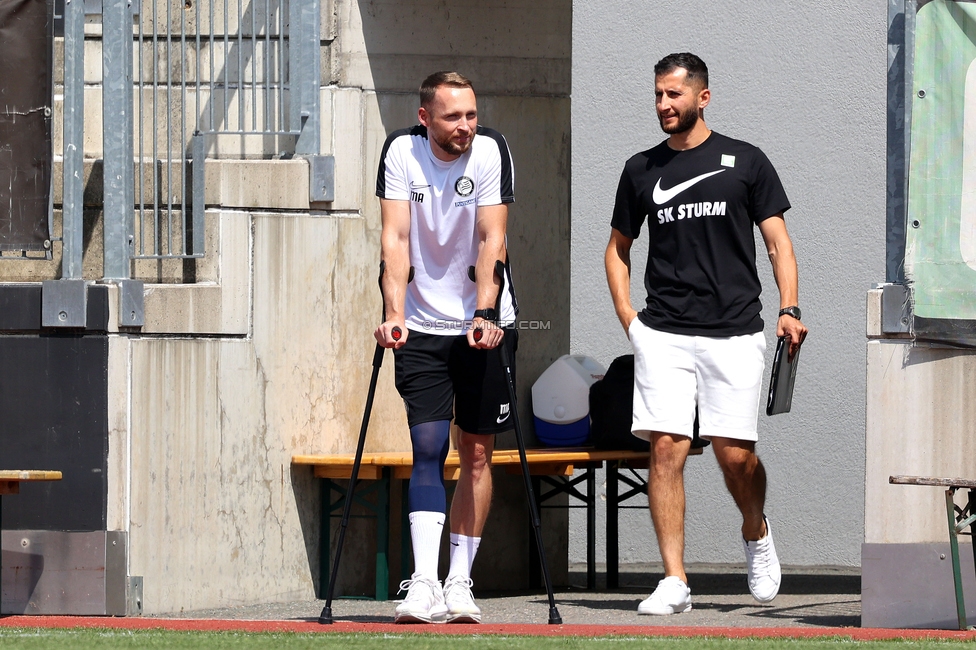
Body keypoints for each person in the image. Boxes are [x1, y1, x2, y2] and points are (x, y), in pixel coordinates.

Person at [604, 53, 808, 616]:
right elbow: (617, 250)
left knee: (734, 456)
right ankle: (675, 579)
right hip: (663, 332)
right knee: (665, 448)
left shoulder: (745, 161)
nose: (665, 105)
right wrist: (630, 321)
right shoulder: (641, 169)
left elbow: (778, 243)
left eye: (674, 95)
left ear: (703, 97)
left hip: (734, 331)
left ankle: (755, 527)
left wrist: (789, 307)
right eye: (658, 96)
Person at [374, 71, 518, 624]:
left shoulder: (489, 150)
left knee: (477, 452)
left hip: (482, 323)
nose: (466, 126)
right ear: (425, 117)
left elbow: (492, 238)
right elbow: (395, 237)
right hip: (422, 324)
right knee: (429, 447)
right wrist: (392, 315)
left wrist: (485, 312)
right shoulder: (401, 152)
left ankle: (461, 581)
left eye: (471, 115)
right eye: (453, 116)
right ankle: (425, 583)